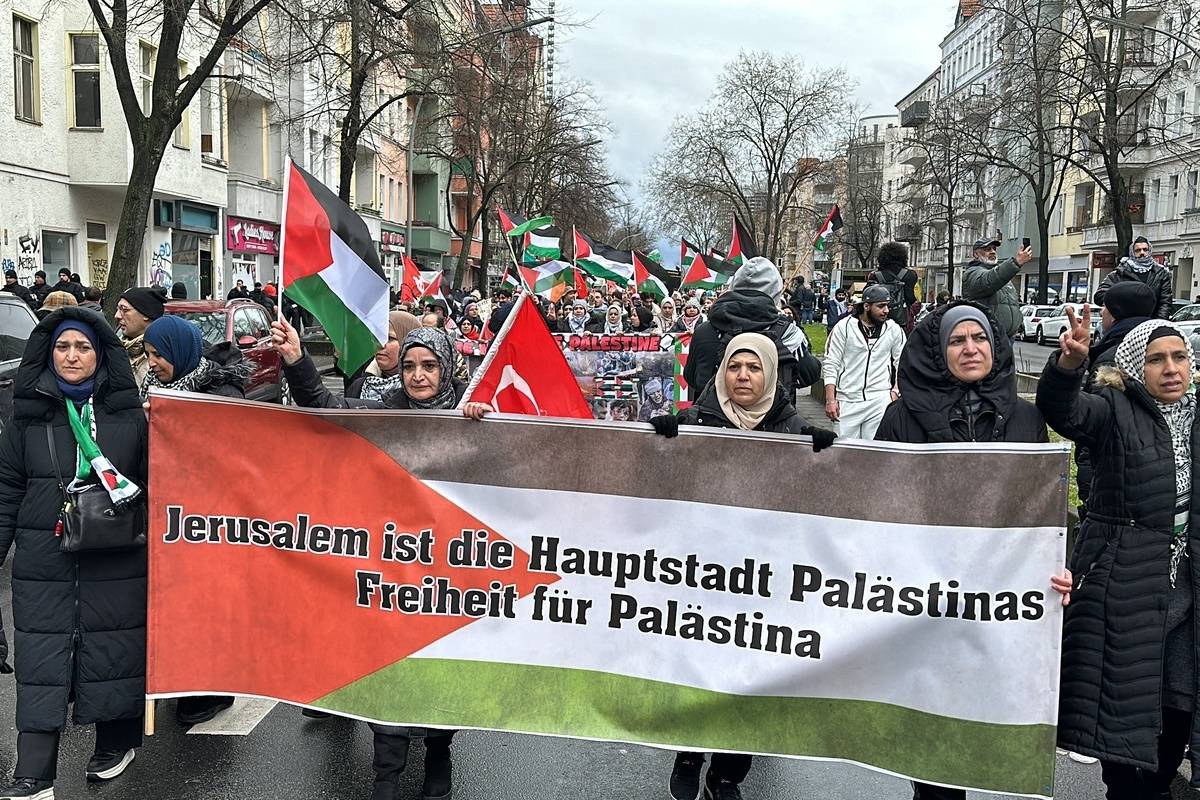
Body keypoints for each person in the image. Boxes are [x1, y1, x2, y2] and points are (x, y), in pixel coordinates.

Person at [270, 316, 484, 800]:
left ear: (447, 367)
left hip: (448, 575)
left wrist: (484, 425)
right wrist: (298, 361)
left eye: (430, 365)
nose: (418, 375)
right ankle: (385, 775)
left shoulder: (474, 417)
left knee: (437, 671)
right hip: (390, 570)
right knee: (389, 669)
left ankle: (438, 751)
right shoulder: (381, 413)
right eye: (409, 366)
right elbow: (325, 407)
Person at [650, 333, 834, 800]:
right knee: (699, 667)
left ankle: (727, 774)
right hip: (702, 577)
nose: (744, 377)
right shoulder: (693, 421)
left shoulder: (793, 430)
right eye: (735, 367)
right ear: (721, 373)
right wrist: (660, 444)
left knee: (751, 677)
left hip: (763, 583)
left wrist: (828, 460)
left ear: (770, 374)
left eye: (754, 368)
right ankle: (689, 753)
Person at [876, 302, 1047, 800]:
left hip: (998, 600)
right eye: (957, 341)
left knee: (981, 715)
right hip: (924, 597)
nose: (970, 349)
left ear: (995, 348)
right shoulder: (902, 418)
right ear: (938, 351)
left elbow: (1039, 515)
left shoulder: (1026, 418)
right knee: (931, 725)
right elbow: (881, 506)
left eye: (979, 339)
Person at [1037, 308, 1200, 799]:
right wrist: (1069, 366)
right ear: (1133, 368)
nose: (1171, 369)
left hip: (1186, 592)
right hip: (1123, 584)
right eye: (1156, 360)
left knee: (1179, 704)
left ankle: (1159, 783)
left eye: (1180, 357)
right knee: (1120, 713)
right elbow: (1064, 412)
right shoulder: (1112, 409)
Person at [0, 307, 149, 798]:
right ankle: (34, 771)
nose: (71, 355)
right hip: (45, 559)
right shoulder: (26, 417)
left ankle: (116, 742)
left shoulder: (130, 417)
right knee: (41, 659)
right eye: (63, 346)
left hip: (118, 559)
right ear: (49, 352)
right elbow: (7, 488)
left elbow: (164, 486)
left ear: (100, 354)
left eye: (82, 347)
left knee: (114, 649)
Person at [1073, 282, 1157, 516]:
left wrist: (1088, 487)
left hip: (1111, 483)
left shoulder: (1112, 358)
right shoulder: (1158, 346)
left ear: (1117, 313)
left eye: (1106, 307)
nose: (1101, 313)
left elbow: (1093, 426)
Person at [684, 257, 809, 403]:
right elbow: (808, 376)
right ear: (775, 290)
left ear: (735, 284)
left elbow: (691, 377)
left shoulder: (704, 330)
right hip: (771, 420)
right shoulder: (788, 334)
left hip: (711, 417)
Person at [821, 284, 905, 441]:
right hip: (847, 399)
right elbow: (831, 363)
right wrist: (830, 399)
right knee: (844, 454)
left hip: (879, 399)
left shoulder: (893, 329)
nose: (886, 310)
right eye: (881, 306)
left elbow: (902, 362)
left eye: (887, 305)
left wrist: (895, 391)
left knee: (874, 453)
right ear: (866, 306)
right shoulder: (844, 327)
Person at [140, 315, 250, 402]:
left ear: (181, 352)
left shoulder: (224, 395)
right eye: (148, 354)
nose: (151, 363)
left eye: (158, 354)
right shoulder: (150, 384)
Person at [960, 237, 1032, 339]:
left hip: (1007, 337)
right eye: (987, 249)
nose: (992, 252)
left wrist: (1017, 322)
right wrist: (1016, 262)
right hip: (987, 336)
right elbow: (988, 281)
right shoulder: (972, 273)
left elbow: (1011, 302)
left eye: (994, 249)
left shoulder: (1001, 274)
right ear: (976, 254)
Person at [1094, 235, 1174, 319]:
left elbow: (1165, 302)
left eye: (1145, 249)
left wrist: (1158, 323)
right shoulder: (1120, 273)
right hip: (1125, 323)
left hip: (1150, 323)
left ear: (1150, 251)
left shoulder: (1161, 273)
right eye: (1138, 250)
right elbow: (1099, 296)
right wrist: (1124, 301)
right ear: (1132, 252)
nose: (1142, 253)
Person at [115, 286, 166, 388]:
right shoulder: (115, 349)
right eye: (118, 309)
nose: (117, 315)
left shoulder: (166, 352)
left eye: (124, 310)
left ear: (146, 314)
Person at [868, 241, 918, 329]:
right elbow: (911, 298)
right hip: (902, 321)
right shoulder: (910, 275)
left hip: (878, 321)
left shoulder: (875, 276)